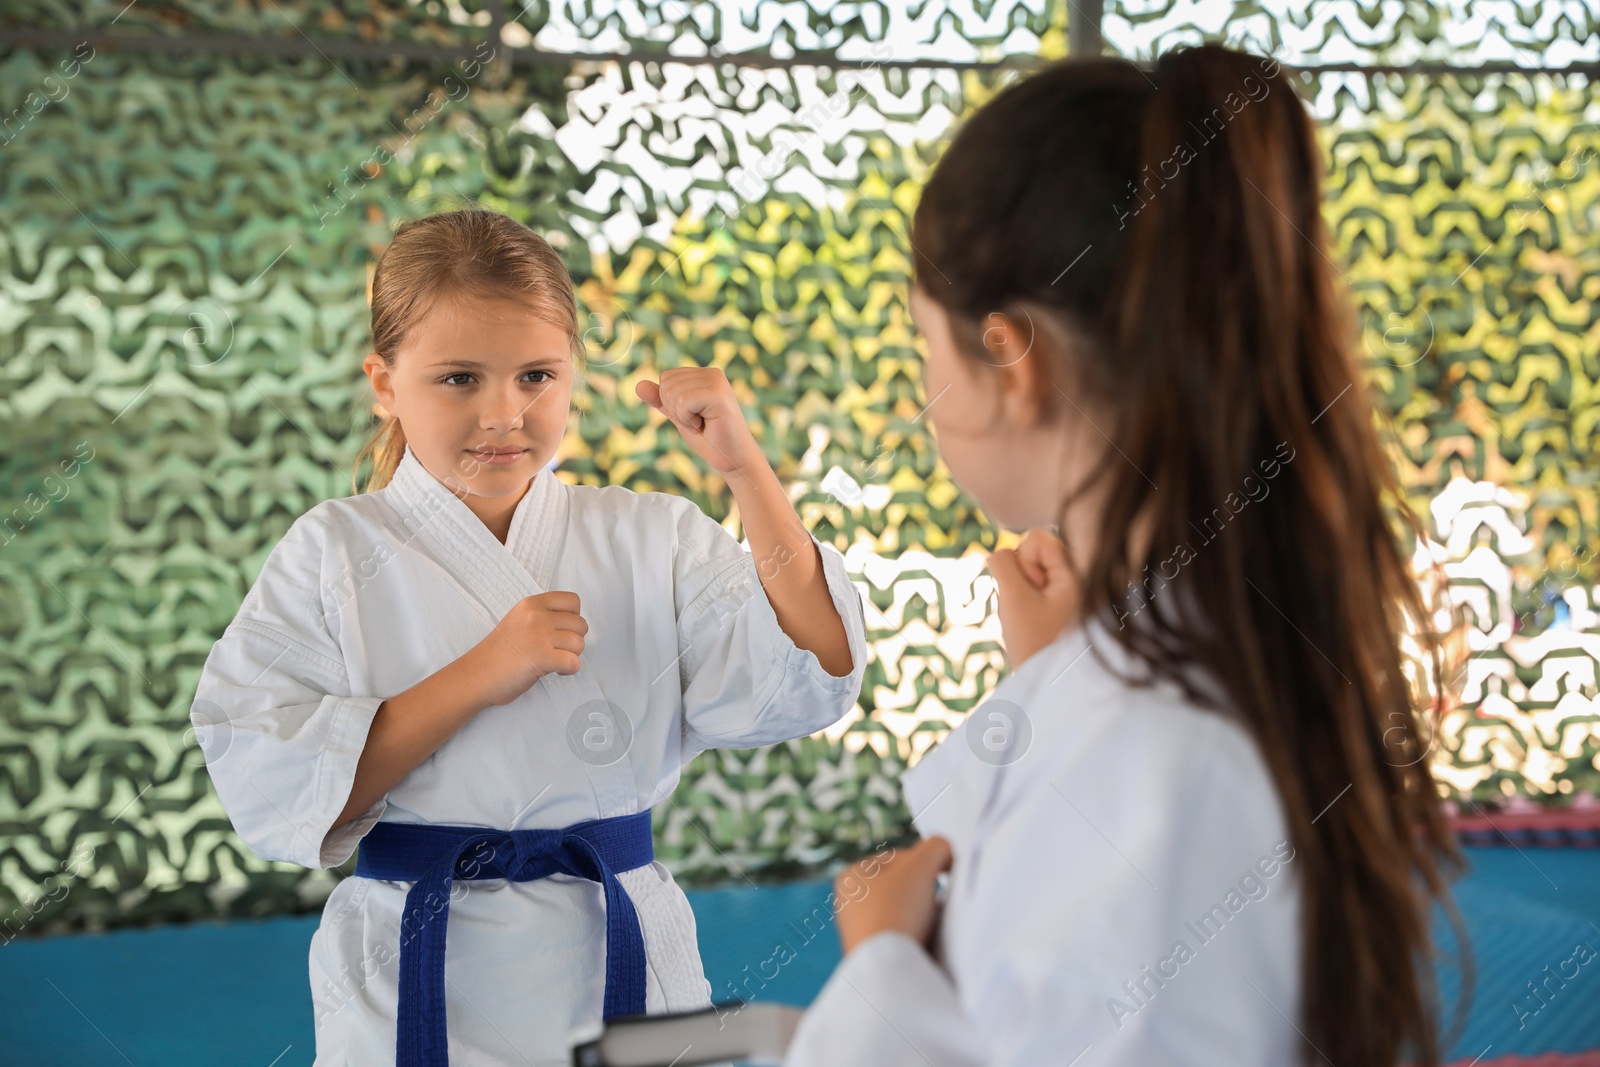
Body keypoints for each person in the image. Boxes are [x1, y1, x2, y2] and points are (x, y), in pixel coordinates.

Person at [784, 43, 1469, 1067]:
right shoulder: (1193, 674)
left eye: (926, 346)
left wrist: (882, 966)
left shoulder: (1162, 762)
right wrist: (1060, 671)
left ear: (1010, 361)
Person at [189, 208, 869, 1065]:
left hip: (620, 950)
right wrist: (482, 672)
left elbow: (807, 674)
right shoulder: (334, 550)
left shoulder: (647, 535)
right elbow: (269, 768)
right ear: (384, 382)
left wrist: (744, 470)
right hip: (413, 968)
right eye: (459, 378)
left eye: (537, 375)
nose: (504, 413)